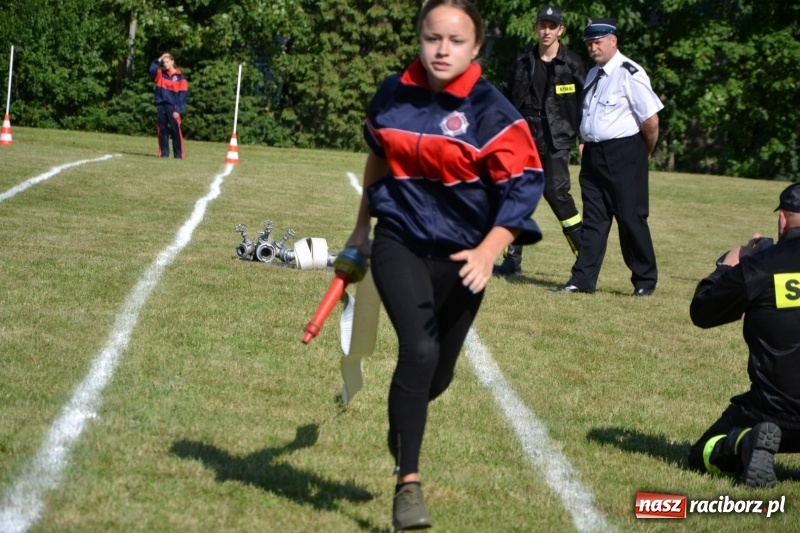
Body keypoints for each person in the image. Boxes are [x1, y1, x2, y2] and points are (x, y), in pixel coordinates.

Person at [343, 0, 545, 529]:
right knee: (420, 348)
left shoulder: (493, 112)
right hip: (400, 241)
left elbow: (524, 187)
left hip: (464, 256)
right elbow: (379, 155)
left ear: (476, 48)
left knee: (436, 375)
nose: (442, 50)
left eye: (456, 41)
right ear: (420, 38)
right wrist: (362, 229)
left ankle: (403, 422)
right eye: (433, 38)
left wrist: (489, 250)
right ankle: (408, 484)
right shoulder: (392, 93)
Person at [687, 182, 800, 488]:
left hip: (773, 414)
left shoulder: (761, 267)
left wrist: (729, 265)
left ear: (783, 220)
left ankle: (745, 443)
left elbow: (703, 312)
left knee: (702, 454)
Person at [555, 18, 663, 296]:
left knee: (630, 218)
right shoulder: (593, 73)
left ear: (613, 41)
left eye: (598, 42)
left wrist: (644, 152)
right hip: (594, 155)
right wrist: (585, 141)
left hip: (625, 153)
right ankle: (582, 280)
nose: (593, 47)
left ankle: (644, 281)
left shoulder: (630, 73)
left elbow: (650, 121)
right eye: (589, 43)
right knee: (594, 220)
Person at [496, 4, 586, 275]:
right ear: (536, 27)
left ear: (561, 30)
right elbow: (504, 98)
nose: (546, 31)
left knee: (556, 194)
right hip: (523, 136)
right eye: (542, 25)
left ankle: (585, 258)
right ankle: (512, 260)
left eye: (552, 26)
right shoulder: (522, 62)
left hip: (557, 137)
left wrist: (583, 137)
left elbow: (586, 104)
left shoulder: (572, 64)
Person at [149, 53, 188, 159]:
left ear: (172, 62)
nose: (165, 64)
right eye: (163, 62)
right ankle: (164, 154)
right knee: (162, 130)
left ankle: (179, 155)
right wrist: (160, 58)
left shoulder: (180, 77)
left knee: (176, 131)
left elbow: (183, 95)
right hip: (161, 105)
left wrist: (178, 110)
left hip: (173, 107)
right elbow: (151, 70)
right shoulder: (160, 74)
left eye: (167, 62)